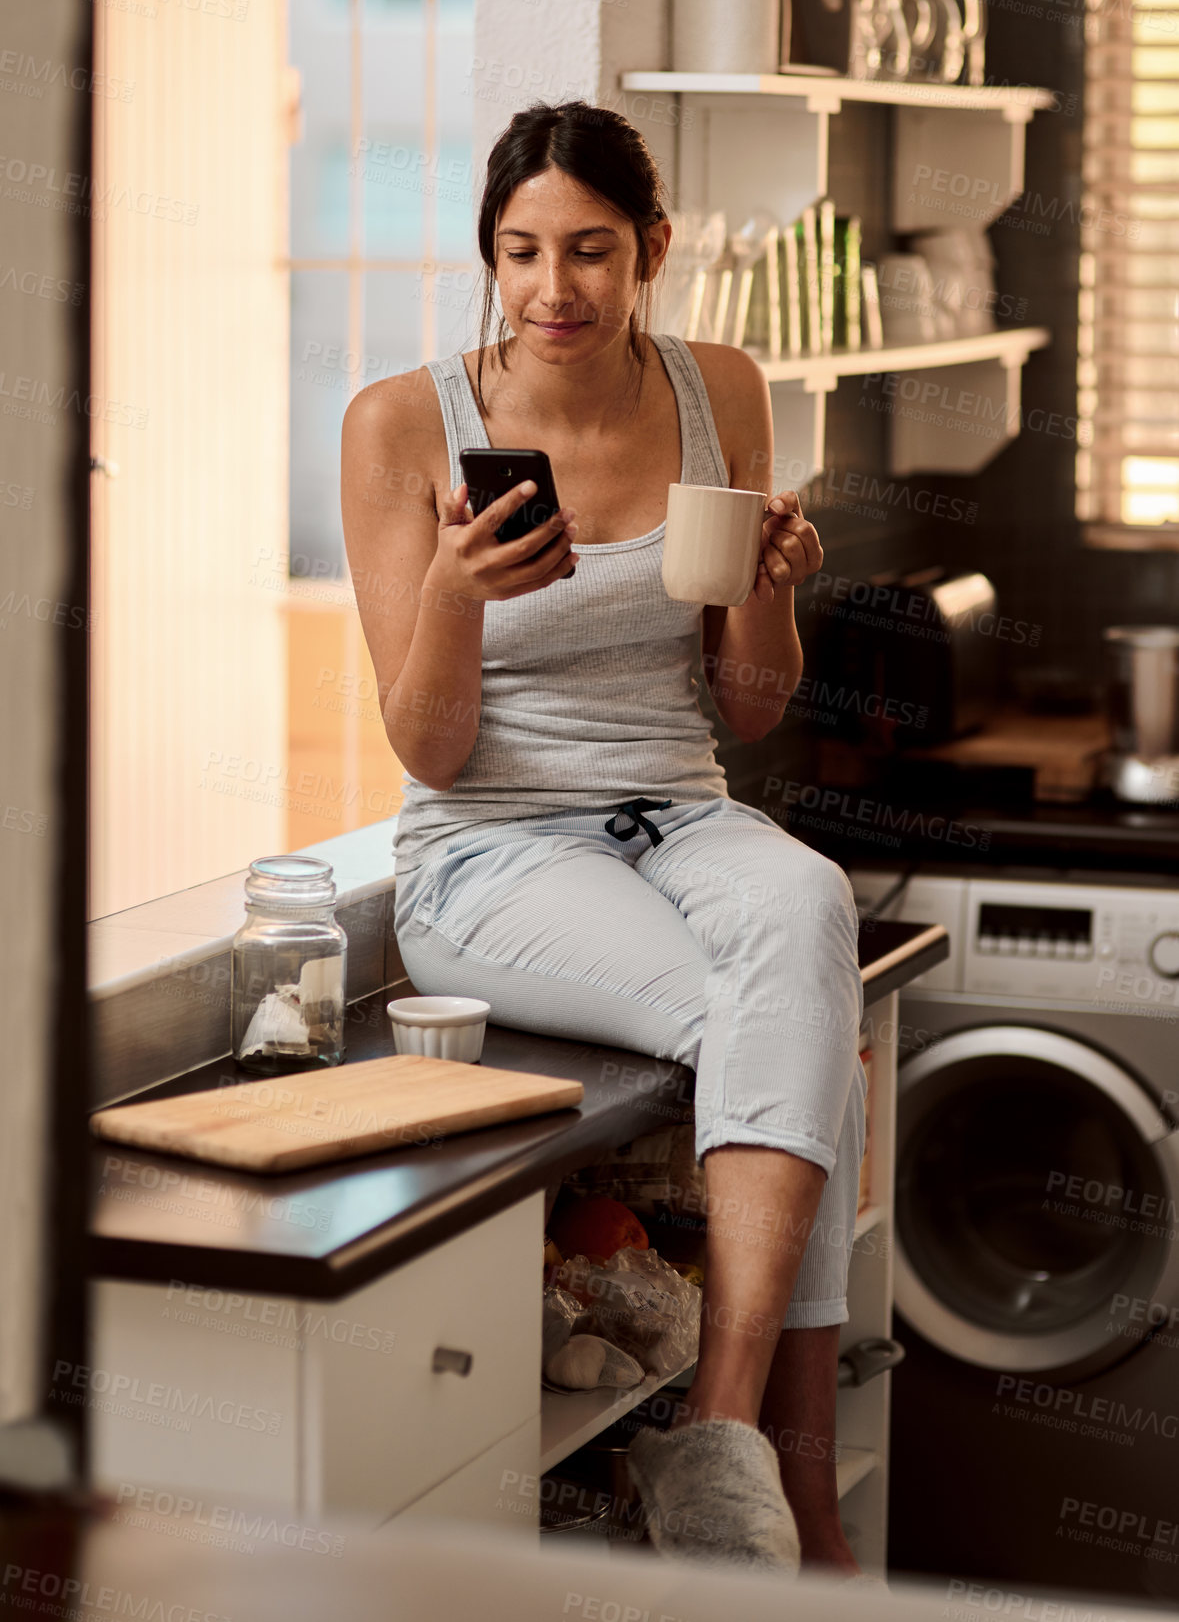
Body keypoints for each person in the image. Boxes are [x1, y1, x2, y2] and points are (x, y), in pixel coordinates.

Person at [341, 100, 867, 1580]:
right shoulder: (402, 422)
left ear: (654, 250)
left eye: (588, 250)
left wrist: (769, 584)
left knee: (806, 907)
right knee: (790, 1030)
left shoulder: (719, 389)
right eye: (518, 253)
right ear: (486, 255)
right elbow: (427, 750)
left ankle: (713, 1430)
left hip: (681, 811)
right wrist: (453, 593)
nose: (551, 289)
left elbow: (749, 713)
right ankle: (792, 1499)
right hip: (490, 855)